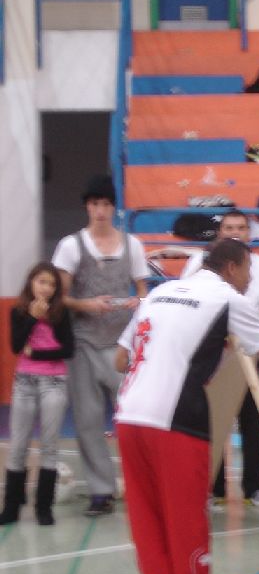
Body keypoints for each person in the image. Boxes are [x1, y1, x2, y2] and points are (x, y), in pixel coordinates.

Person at [115, 239, 259, 574]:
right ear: (231, 268)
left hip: (129, 417)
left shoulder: (159, 294)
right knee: (187, 527)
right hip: (176, 422)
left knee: (149, 529)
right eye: (248, 272)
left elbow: (120, 360)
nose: (249, 281)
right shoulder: (228, 299)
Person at [52, 174, 148, 517]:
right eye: (95, 204)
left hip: (121, 344)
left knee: (133, 417)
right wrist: (87, 305)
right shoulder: (70, 246)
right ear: (87, 207)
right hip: (84, 343)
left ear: (113, 207)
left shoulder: (132, 245)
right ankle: (100, 491)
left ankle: (141, 487)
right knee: (88, 419)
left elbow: (143, 291)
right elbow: (59, 296)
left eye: (106, 204)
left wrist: (136, 302)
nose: (101, 210)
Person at [182, 209, 259, 508]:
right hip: (214, 353)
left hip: (249, 350)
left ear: (249, 233)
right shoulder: (198, 262)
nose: (235, 233)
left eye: (240, 227)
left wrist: (257, 328)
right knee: (213, 418)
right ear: (219, 232)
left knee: (253, 420)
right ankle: (214, 487)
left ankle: (254, 487)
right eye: (228, 228)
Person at [0, 263, 74, 526]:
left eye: (52, 284)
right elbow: (16, 346)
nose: (46, 288)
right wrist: (33, 317)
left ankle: (44, 507)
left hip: (54, 382)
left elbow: (68, 349)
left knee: (49, 444)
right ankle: (11, 507)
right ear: (31, 282)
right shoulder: (18, 311)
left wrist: (37, 353)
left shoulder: (61, 313)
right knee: (18, 445)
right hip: (25, 382)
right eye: (42, 282)